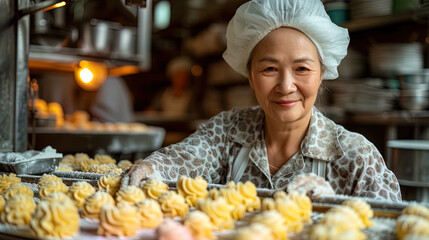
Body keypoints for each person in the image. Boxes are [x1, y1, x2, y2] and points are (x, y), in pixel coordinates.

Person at [122, 0, 402, 201]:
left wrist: (337, 213)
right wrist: (151, 169)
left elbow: (390, 227)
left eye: (302, 69)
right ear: (251, 76)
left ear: (322, 74)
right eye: (269, 69)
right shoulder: (227, 132)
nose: (286, 85)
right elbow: (183, 161)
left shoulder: (355, 157)